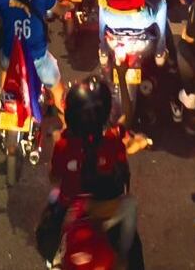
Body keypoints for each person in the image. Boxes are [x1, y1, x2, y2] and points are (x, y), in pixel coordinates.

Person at [42, 77, 139, 266]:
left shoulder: (63, 144)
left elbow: (54, 178)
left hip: (72, 212)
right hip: (104, 212)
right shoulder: (111, 141)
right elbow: (127, 118)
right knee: (131, 204)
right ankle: (124, 253)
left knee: (53, 198)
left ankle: (54, 257)